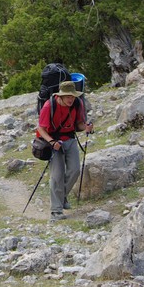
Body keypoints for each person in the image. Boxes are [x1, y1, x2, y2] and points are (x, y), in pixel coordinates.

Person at [36, 80, 93, 221]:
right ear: (60, 96)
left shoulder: (77, 104)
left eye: (72, 96)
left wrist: (85, 127)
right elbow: (40, 129)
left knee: (75, 170)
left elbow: (78, 125)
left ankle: (61, 197)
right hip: (53, 142)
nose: (71, 99)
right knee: (57, 175)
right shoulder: (49, 106)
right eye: (68, 96)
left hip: (70, 139)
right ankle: (56, 211)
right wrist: (52, 142)